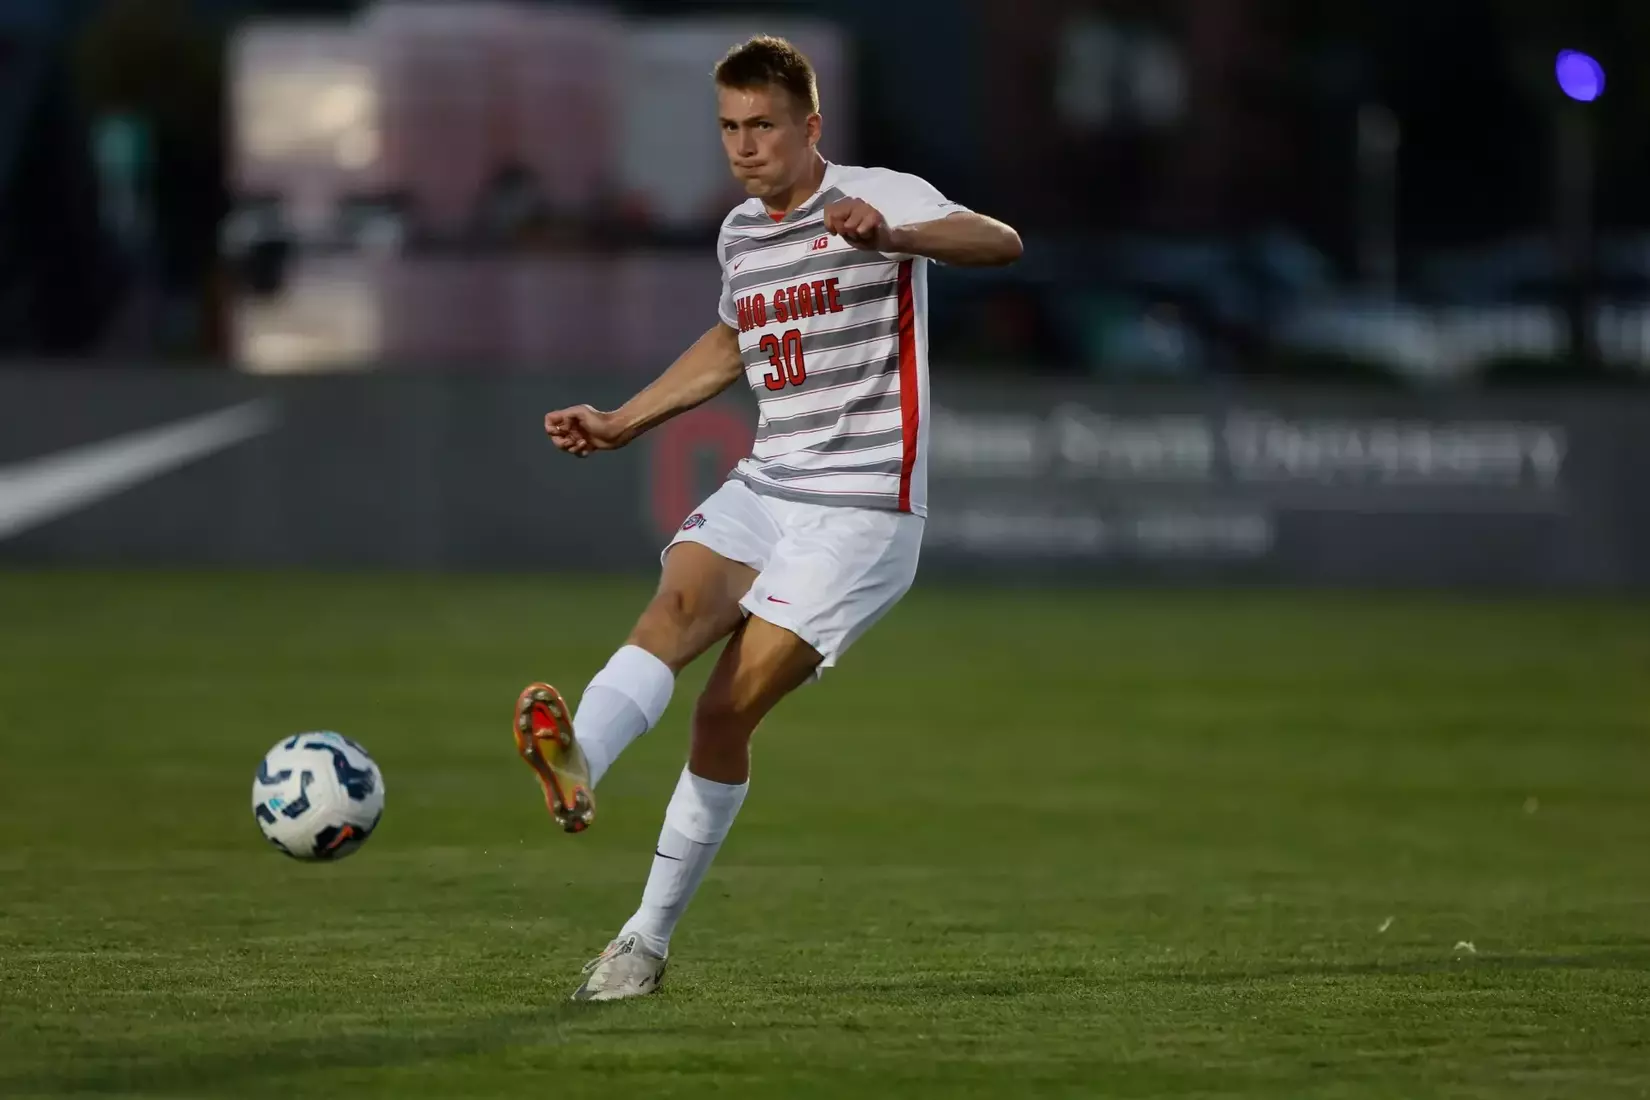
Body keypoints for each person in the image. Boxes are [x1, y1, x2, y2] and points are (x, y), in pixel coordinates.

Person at [515, 34, 1022, 1002]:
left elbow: (1001, 242)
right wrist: (625, 419)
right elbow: (732, 339)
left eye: (764, 126)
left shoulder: (881, 192)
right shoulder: (743, 233)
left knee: (723, 709)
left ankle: (642, 944)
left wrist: (897, 237)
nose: (745, 146)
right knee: (669, 615)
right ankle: (577, 762)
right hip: (770, 485)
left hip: (864, 513)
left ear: (810, 126)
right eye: (730, 127)